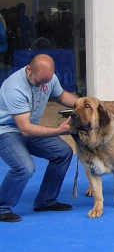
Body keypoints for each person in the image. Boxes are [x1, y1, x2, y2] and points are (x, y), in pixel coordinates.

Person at [0, 54, 79, 222]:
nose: (43, 86)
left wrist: (85, 103)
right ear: (29, 70)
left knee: (63, 152)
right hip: (6, 132)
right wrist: (59, 130)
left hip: (28, 129)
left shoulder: (47, 77)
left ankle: (46, 201)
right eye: (39, 82)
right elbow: (26, 129)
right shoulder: (14, 88)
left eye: (46, 82)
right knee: (25, 167)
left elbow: (62, 96)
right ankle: (2, 207)